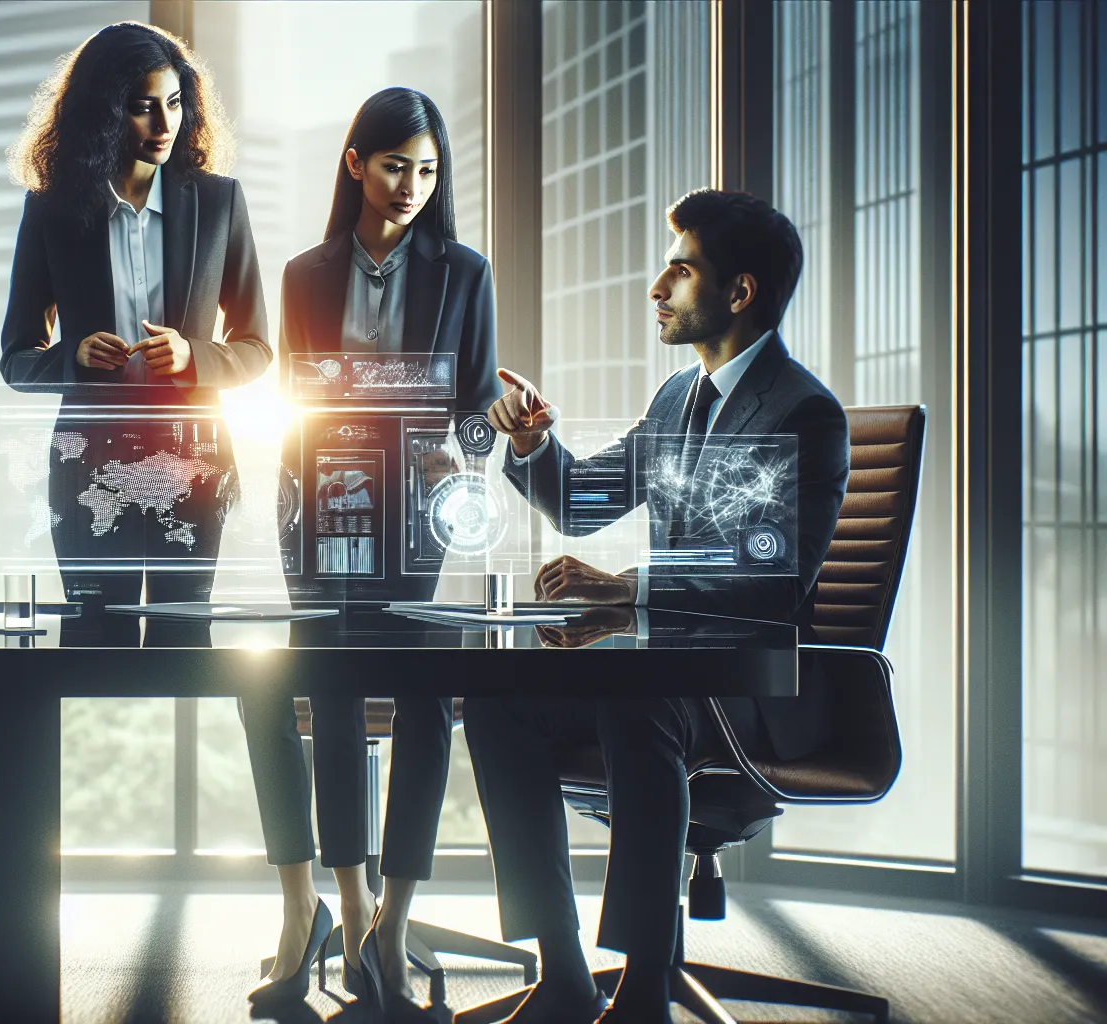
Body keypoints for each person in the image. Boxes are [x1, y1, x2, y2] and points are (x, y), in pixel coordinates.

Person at [466, 189, 849, 1023]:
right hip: (660, 679)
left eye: (680, 268)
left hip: (751, 695)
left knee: (637, 699)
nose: (658, 287)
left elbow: (771, 582)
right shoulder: (679, 399)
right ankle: (563, 974)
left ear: (738, 293)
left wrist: (625, 587)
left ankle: (642, 994)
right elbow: (581, 501)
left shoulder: (805, 414)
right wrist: (531, 441)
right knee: (499, 698)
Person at [240, 88, 500, 1020]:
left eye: (427, 171)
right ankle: (344, 908)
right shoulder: (307, 273)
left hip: (415, 511)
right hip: (317, 503)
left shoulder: (464, 273)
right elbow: (294, 402)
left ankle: (395, 918)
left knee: (425, 681)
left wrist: (457, 450)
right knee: (334, 684)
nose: (411, 187)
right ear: (356, 163)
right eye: (395, 167)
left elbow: (478, 414)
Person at [0, 21, 268, 647]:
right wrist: (73, 356)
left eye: (174, 103)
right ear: (102, 113)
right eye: (143, 107)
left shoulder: (220, 202)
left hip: (195, 463)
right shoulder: (52, 211)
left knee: (184, 650)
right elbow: (17, 359)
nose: (164, 123)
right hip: (90, 467)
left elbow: (256, 347)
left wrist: (193, 355)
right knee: (93, 651)